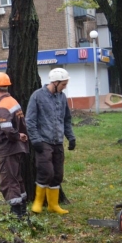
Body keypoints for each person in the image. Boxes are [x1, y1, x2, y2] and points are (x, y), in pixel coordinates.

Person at [26, 68, 76, 215]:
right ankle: (37, 202)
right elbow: (30, 120)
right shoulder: (37, 96)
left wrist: (71, 137)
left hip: (58, 141)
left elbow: (66, 119)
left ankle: (53, 205)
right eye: (63, 84)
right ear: (55, 82)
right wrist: (35, 140)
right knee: (46, 171)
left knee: (58, 174)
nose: (64, 87)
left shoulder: (62, 97)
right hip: (43, 141)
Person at [0, 72, 29, 218]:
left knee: (8, 180)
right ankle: (22, 208)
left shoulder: (2, 107)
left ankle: (16, 213)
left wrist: (17, 136)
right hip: (17, 148)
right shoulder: (13, 101)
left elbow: (7, 130)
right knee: (17, 178)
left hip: (6, 149)